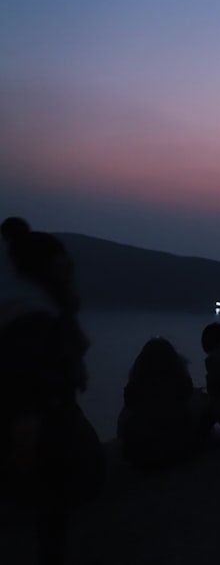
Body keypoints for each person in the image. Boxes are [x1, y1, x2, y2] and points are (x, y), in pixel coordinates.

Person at [0, 217, 104, 565]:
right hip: (38, 421)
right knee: (58, 482)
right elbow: (28, 379)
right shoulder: (31, 313)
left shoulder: (32, 305)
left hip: (42, 413)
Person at [116, 337, 212, 469]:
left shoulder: (135, 389)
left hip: (139, 453)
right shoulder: (182, 385)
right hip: (179, 449)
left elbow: (122, 424)